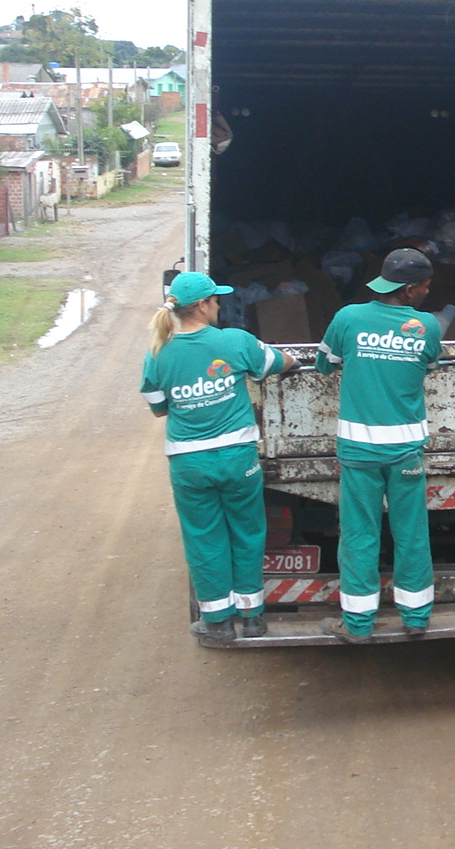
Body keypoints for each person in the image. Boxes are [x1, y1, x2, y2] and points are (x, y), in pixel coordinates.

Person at [141, 271, 298, 644]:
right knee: (247, 532)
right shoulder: (235, 342)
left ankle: (217, 623)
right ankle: (253, 617)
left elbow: (159, 408)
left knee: (203, 537)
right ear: (202, 305)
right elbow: (280, 362)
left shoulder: (159, 353)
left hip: (189, 463)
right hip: (236, 458)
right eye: (215, 301)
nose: (219, 306)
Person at [315, 247, 445, 642]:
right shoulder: (428, 327)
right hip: (406, 453)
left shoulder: (348, 317)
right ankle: (416, 619)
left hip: (359, 454)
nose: (426, 292)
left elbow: (325, 365)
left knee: (359, 536)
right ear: (407, 290)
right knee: (411, 534)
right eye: (423, 287)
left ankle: (357, 625)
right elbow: (431, 365)